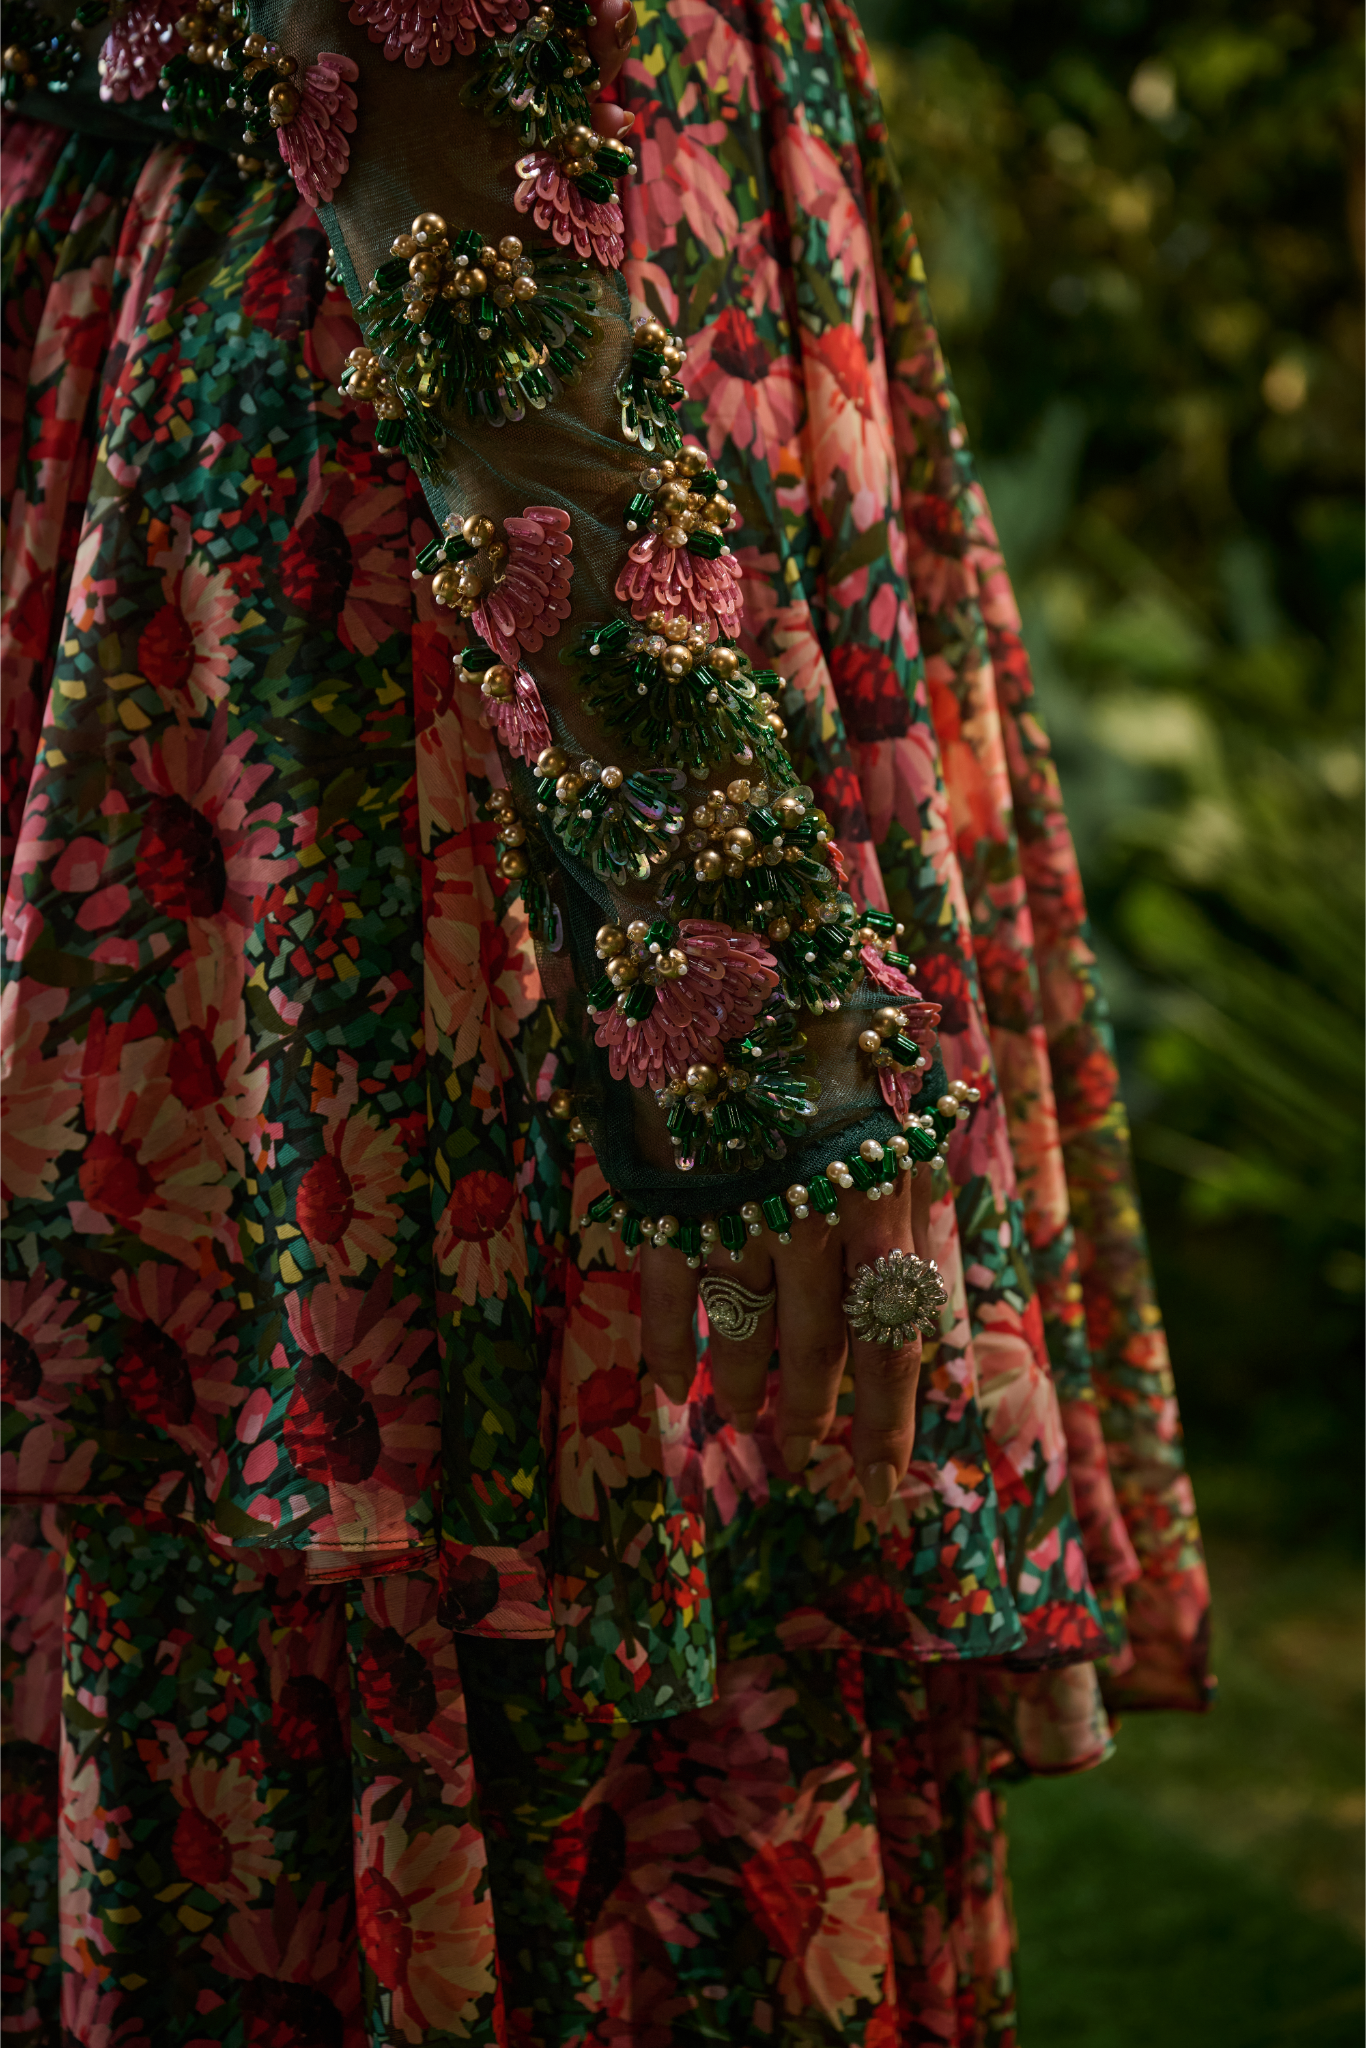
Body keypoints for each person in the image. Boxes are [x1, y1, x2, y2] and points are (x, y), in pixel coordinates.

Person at [0, 0, 1212, 2035]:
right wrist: (741, 977)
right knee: (543, 1466)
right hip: (447, 444)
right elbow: (408, 70)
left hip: (312, 332)